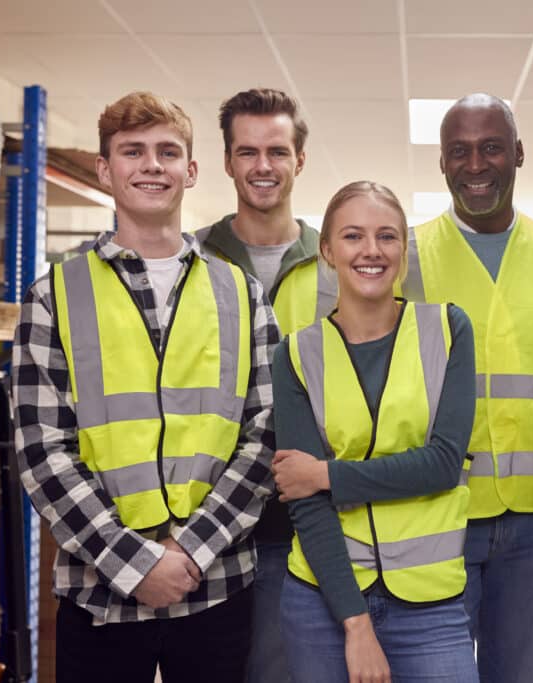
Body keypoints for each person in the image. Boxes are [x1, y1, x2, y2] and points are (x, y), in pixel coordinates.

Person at [11, 91, 279, 683]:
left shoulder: (241, 294)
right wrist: (132, 562)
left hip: (215, 585)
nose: (152, 165)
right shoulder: (54, 294)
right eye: (133, 152)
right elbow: (42, 453)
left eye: (168, 151)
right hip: (99, 593)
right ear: (106, 170)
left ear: (191, 170)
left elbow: (264, 435)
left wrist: (189, 552)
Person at [401, 93, 533, 682]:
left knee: (516, 672)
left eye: (491, 147)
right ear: (443, 165)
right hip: (438, 509)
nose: (475, 165)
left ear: (519, 154)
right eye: (459, 151)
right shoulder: (407, 254)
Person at [271, 181, 478, 682]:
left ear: (403, 251)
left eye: (387, 236)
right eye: (353, 236)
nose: (371, 251)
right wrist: (356, 625)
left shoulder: (448, 330)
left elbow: (443, 464)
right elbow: (305, 501)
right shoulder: (296, 354)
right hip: (323, 600)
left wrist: (326, 473)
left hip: (431, 604)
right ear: (327, 250)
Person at [194, 87, 335, 683]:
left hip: (298, 522)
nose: (262, 166)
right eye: (246, 151)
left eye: (277, 150)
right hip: (203, 520)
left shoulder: (337, 262)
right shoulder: (192, 259)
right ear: (226, 161)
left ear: (300, 160)